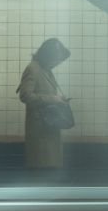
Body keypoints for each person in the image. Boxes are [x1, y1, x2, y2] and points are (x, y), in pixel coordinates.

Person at [16, 38, 71, 172]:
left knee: (50, 166)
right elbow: (25, 96)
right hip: (39, 128)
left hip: (49, 124)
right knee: (41, 167)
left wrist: (59, 99)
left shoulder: (46, 69)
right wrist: (53, 99)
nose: (57, 63)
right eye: (56, 59)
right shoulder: (33, 68)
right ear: (47, 55)